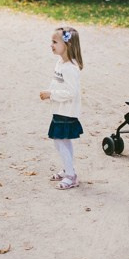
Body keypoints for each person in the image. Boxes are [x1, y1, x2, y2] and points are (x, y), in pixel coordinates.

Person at [40, 26, 84, 190]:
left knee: (59, 140)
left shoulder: (70, 68)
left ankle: (71, 176)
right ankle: (67, 168)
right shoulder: (60, 63)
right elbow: (57, 83)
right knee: (62, 141)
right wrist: (49, 92)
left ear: (67, 44)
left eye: (55, 42)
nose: (51, 45)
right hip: (59, 109)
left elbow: (71, 93)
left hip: (67, 111)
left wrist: (51, 94)